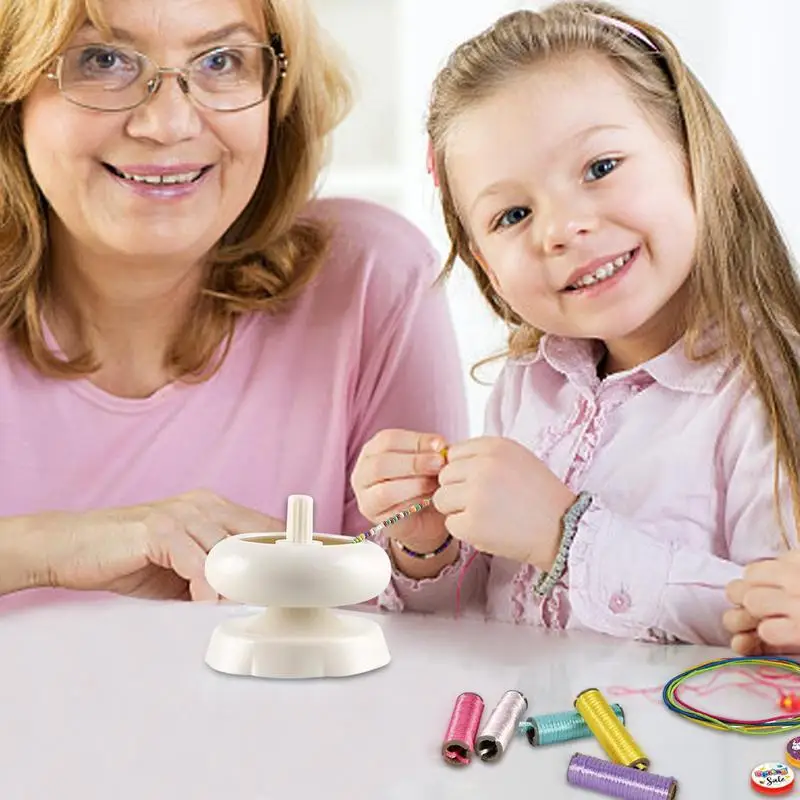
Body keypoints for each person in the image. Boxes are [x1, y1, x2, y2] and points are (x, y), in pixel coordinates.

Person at [351, 0, 800, 647]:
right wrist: (429, 548)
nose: (563, 230)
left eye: (600, 167)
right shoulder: (532, 381)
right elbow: (486, 618)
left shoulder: (766, 383)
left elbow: (770, 631)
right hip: (524, 739)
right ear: (486, 263)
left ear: (695, 154)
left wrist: (568, 534)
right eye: (512, 215)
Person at [0, 0, 468, 603]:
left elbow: (446, 617)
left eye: (221, 60)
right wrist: (52, 549)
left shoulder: (369, 280)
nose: (167, 123)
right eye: (104, 59)